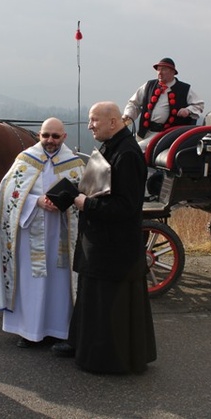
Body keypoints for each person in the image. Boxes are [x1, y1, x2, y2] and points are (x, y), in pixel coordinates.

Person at [52, 101, 157, 374]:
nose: (89, 126)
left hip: (115, 247)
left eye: (94, 121)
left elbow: (126, 206)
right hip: (99, 241)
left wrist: (85, 204)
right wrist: (71, 192)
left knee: (107, 304)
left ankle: (106, 359)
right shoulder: (111, 146)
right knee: (90, 297)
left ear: (113, 121)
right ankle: (81, 344)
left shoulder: (128, 155)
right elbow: (96, 186)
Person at [0, 118, 85, 348]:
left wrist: (63, 204)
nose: (50, 140)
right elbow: (7, 195)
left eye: (55, 136)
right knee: (30, 283)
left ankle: (59, 330)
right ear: (39, 135)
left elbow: (83, 195)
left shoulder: (74, 164)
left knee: (59, 284)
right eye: (46, 135)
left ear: (64, 137)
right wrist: (36, 201)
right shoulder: (25, 160)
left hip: (61, 236)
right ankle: (28, 332)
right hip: (28, 235)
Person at [123, 57, 204, 150]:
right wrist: (128, 115)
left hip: (166, 135)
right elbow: (134, 103)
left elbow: (199, 105)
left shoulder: (184, 89)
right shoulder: (149, 85)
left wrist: (188, 110)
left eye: (164, 69)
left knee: (136, 149)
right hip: (144, 133)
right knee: (125, 147)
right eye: (158, 69)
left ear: (173, 72)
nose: (159, 73)